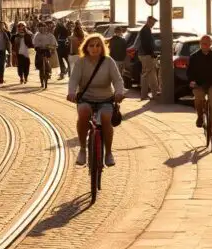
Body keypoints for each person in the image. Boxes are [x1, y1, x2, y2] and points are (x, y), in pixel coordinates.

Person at [67, 33, 126, 167]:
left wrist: (119, 92)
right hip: (86, 98)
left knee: (106, 117)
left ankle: (108, 153)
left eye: (98, 45)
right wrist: (71, 93)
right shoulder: (81, 62)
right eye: (92, 45)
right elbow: (74, 79)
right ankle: (82, 149)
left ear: (102, 47)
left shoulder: (108, 61)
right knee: (83, 113)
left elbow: (117, 80)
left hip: (105, 99)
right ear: (86, 47)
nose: (95, 48)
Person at [187, 35, 212, 137]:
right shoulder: (194, 57)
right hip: (199, 84)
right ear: (200, 44)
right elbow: (189, 72)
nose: (206, 46)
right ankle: (200, 116)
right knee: (198, 99)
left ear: (211, 44)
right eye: (204, 44)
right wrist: (191, 81)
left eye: (208, 44)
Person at [137, 16, 160, 100]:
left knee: (149, 74)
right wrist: (151, 54)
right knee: (147, 74)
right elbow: (146, 44)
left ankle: (152, 93)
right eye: (152, 22)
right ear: (148, 21)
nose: (153, 24)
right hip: (146, 56)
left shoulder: (146, 30)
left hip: (145, 55)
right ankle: (147, 95)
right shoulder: (145, 30)